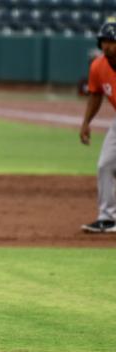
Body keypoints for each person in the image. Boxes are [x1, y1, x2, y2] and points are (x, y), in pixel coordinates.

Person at [80, 19, 116, 233]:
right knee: (105, 165)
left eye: (112, 41)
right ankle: (108, 218)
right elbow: (95, 95)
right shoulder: (98, 66)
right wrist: (86, 122)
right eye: (104, 41)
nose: (107, 46)